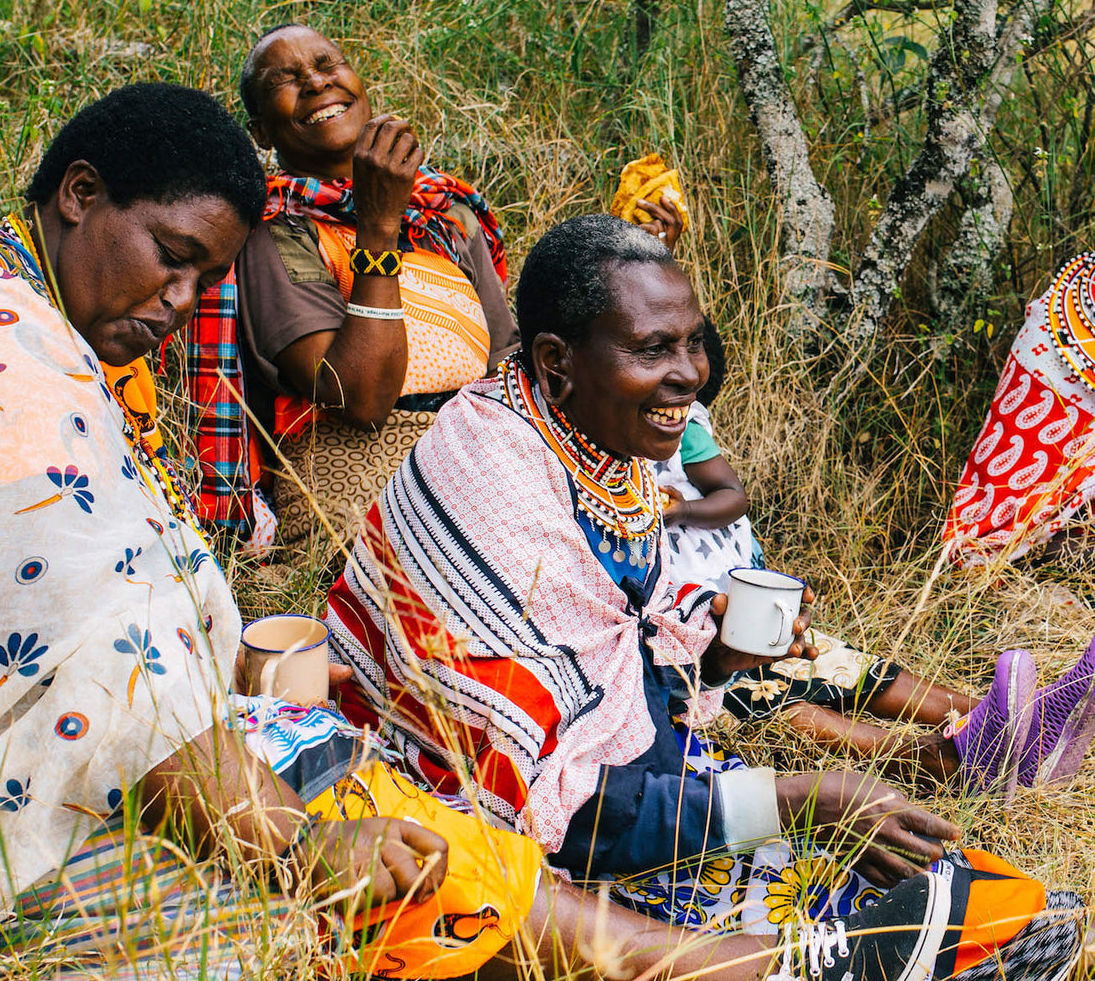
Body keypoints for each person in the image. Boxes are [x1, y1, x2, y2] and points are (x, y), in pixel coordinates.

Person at [0, 82, 857, 981]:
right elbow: (115, 650)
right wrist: (289, 843)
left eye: (204, 282)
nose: (177, 306)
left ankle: (657, 949)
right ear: (78, 194)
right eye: (169, 260)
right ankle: (669, 960)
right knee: (321, 873)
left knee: (312, 762)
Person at [325, 213, 1088, 977]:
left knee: (1003, 903)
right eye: (654, 348)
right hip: (510, 845)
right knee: (912, 927)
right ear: (558, 360)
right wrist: (794, 799)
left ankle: (957, 774)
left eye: (692, 340)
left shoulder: (592, 443)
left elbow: (618, 678)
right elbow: (557, 809)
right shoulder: (496, 481)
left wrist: (719, 657)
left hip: (641, 788)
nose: (691, 372)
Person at [184, 22, 687, 549]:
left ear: (358, 82)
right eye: (283, 80)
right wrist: (377, 225)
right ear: (261, 131)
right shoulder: (276, 231)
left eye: (328, 64)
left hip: (483, 464)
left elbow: (513, 366)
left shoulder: (443, 213)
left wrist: (630, 259)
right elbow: (361, 399)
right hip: (358, 500)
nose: (315, 83)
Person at [655, 321, 1095, 792]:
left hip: (720, 606)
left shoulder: (682, 430)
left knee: (833, 661)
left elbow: (728, 493)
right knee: (774, 705)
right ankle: (952, 763)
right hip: (675, 653)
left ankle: (1025, 722)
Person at [945, 252, 1095, 567]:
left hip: (1068, 326)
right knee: (1008, 482)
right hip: (1064, 338)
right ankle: (986, 566)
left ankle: (1063, 567)